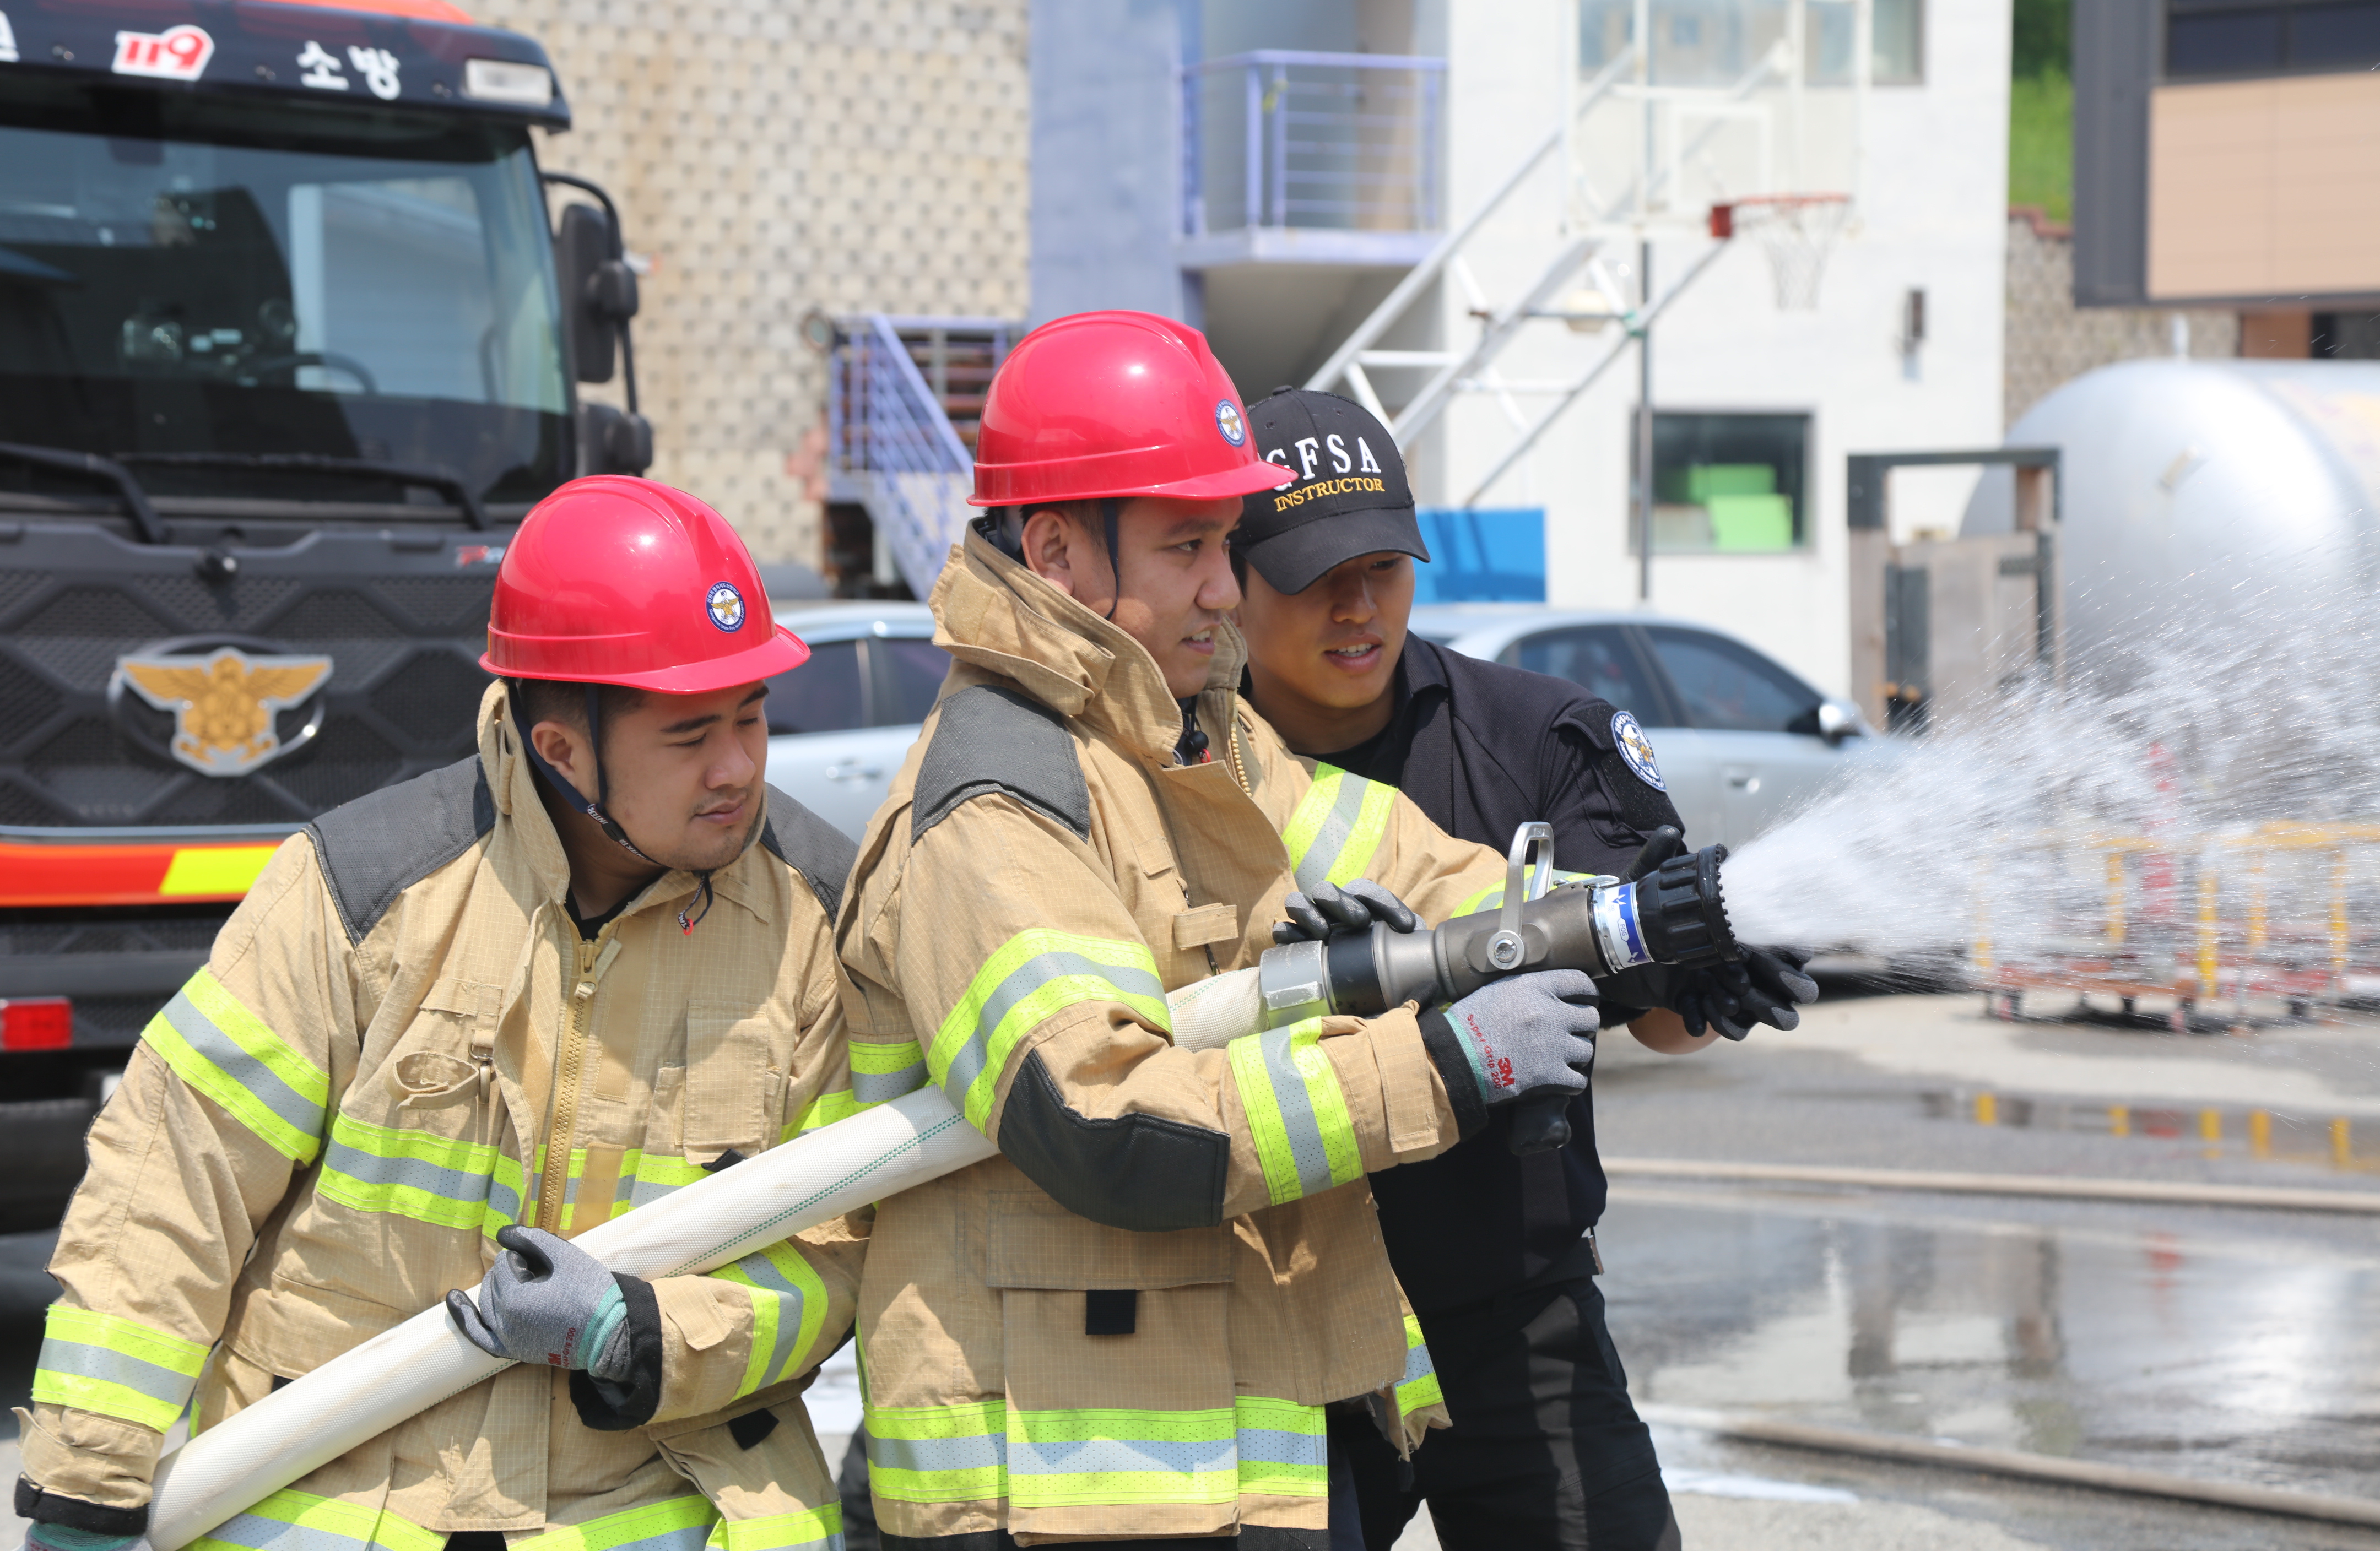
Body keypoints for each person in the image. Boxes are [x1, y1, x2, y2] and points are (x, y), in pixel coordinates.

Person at [831, 310, 1604, 1550]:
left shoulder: (1191, 735)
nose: (1223, 585)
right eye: (1188, 545)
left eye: (1225, 542)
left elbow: (1413, 862)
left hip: (1225, 1458)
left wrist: (1629, 925)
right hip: (1074, 1492)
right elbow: (1108, 1120)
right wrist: (1444, 1066)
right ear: (1058, 551)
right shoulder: (998, 799)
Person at [16, 478, 869, 1551]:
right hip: (343, 1510)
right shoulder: (361, 894)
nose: (739, 766)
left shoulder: (813, 921)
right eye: (692, 734)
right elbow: (170, 1186)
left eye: (752, 715)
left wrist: (645, 1334)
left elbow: (840, 1245)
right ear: (561, 749)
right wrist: (86, 1486)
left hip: (656, 1507)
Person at [1234, 388, 1816, 1551]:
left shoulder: (1538, 738)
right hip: (1278, 1315)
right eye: (1314, 578)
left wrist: (1707, 976)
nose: (1358, 608)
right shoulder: (1181, 772)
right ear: (1229, 578)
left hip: (1508, 1305)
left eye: (1383, 568)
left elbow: (1657, 1013)